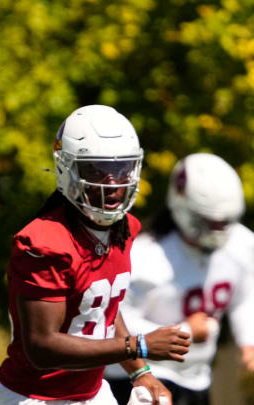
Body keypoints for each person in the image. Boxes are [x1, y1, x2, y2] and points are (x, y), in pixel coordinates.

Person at [0, 105, 191, 405]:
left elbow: (102, 307)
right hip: (32, 397)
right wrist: (137, 346)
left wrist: (140, 373)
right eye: (97, 170)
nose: (112, 183)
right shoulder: (45, 243)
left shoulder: (124, 229)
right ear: (66, 169)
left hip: (91, 392)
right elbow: (42, 348)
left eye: (121, 169)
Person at [104, 153, 254, 405]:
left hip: (196, 376)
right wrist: (184, 331)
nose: (218, 230)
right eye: (210, 222)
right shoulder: (144, 254)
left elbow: (245, 296)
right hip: (137, 376)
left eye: (224, 222)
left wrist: (248, 343)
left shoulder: (241, 243)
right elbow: (112, 324)